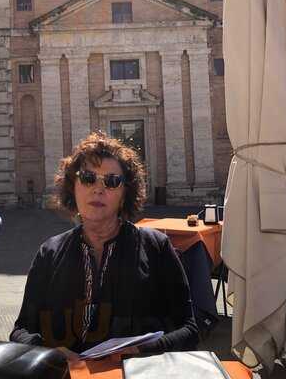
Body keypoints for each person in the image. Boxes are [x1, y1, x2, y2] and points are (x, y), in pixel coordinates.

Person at [10, 132, 198, 358]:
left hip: (134, 371)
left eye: (112, 181)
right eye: (88, 178)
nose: (98, 189)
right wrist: (50, 353)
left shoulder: (156, 248)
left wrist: (142, 350)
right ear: (73, 187)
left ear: (124, 194)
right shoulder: (49, 253)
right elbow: (21, 330)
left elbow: (189, 329)